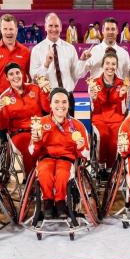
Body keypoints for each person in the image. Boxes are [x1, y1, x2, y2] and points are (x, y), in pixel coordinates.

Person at [28, 88, 90, 220]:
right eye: (56, 102)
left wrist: (81, 147)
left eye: (64, 102)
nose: (60, 106)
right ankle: (48, 202)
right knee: (45, 172)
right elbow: (32, 151)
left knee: (62, 173)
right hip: (46, 158)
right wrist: (36, 141)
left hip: (66, 159)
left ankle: (61, 202)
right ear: (50, 104)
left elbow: (87, 154)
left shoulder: (77, 125)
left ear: (69, 104)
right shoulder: (40, 123)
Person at [0, 62, 51, 177]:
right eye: (11, 74)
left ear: (22, 74)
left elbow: (47, 109)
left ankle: (47, 177)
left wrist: (46, 94)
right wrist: (0, 112)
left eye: (17, 72)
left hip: (40, 129)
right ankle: (31, 181)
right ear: (7, 78)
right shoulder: (4, 97)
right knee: (29, 150)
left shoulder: (35, 89)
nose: (15, 76)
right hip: (19, 134)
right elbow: (3, 126)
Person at [29, 12, 83, 113]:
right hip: (47, 99)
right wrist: (46, 64)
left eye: (56, 26)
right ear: (45, 27)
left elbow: (76, 74)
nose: (53, 29)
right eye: (50, 26)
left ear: (61, 28)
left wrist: (83, 61)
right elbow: (34, 78)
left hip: (67, 98)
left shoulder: (70, 48)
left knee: (70, 128)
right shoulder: (37, 49)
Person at [88, 52, 130, 174]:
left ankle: (111, 167)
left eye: (113, 64)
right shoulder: (94, 83)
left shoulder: (123, 84)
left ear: (117, 66)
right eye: (107, 63)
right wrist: (94, 98)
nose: (110, 67)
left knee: (114, 140)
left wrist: (122, 96)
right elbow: (94, 110)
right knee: (103, 136)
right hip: (99, 118)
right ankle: (101, 166)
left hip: (117, 119)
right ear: (102, 65)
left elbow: (123, 110)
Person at [0, 14, 31, 99]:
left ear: (16, 30)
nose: (8, 32)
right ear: (0, 30)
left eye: (11, 29)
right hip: (1, 95)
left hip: (21, 95)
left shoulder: (25, 51)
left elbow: (29, 75)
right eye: (5, 29)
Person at [76, 17, 130, 81]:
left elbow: (127, 79)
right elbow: (78, 74)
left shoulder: (124, 53)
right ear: (102, 31)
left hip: (118, 90)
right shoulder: (93, 51)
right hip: (96, 90)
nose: (110, 32)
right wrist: (82, 60)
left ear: (117, 31)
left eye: (113, 29)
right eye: (107, 29)